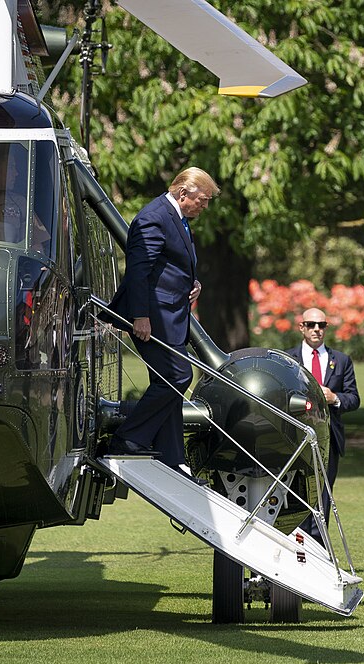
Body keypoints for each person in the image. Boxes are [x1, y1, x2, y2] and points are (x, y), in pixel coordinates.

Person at [101, 167, 219, 481]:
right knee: (178, 376)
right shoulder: (153, 218)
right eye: (202, 200)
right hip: (153, 318)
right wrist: (140, 316)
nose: (204, 206)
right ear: (183, 193)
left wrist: (192, 284)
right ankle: (128, 439)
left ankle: (172, 457)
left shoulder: (176, 217)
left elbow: (169, 265)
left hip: (170, 315)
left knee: (168, 384)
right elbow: (139, 271)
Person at [285, 307, 360, 542]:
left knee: (323, 497)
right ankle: (296, 547)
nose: (316, 329)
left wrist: (334, 398)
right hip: (294, 438)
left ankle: (319, 549)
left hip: (328, 438)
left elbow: (354, 398)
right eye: (311, 325)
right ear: (302, 327)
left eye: (321, 325)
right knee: (296, 495)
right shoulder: (288, 359)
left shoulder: (341, 360)